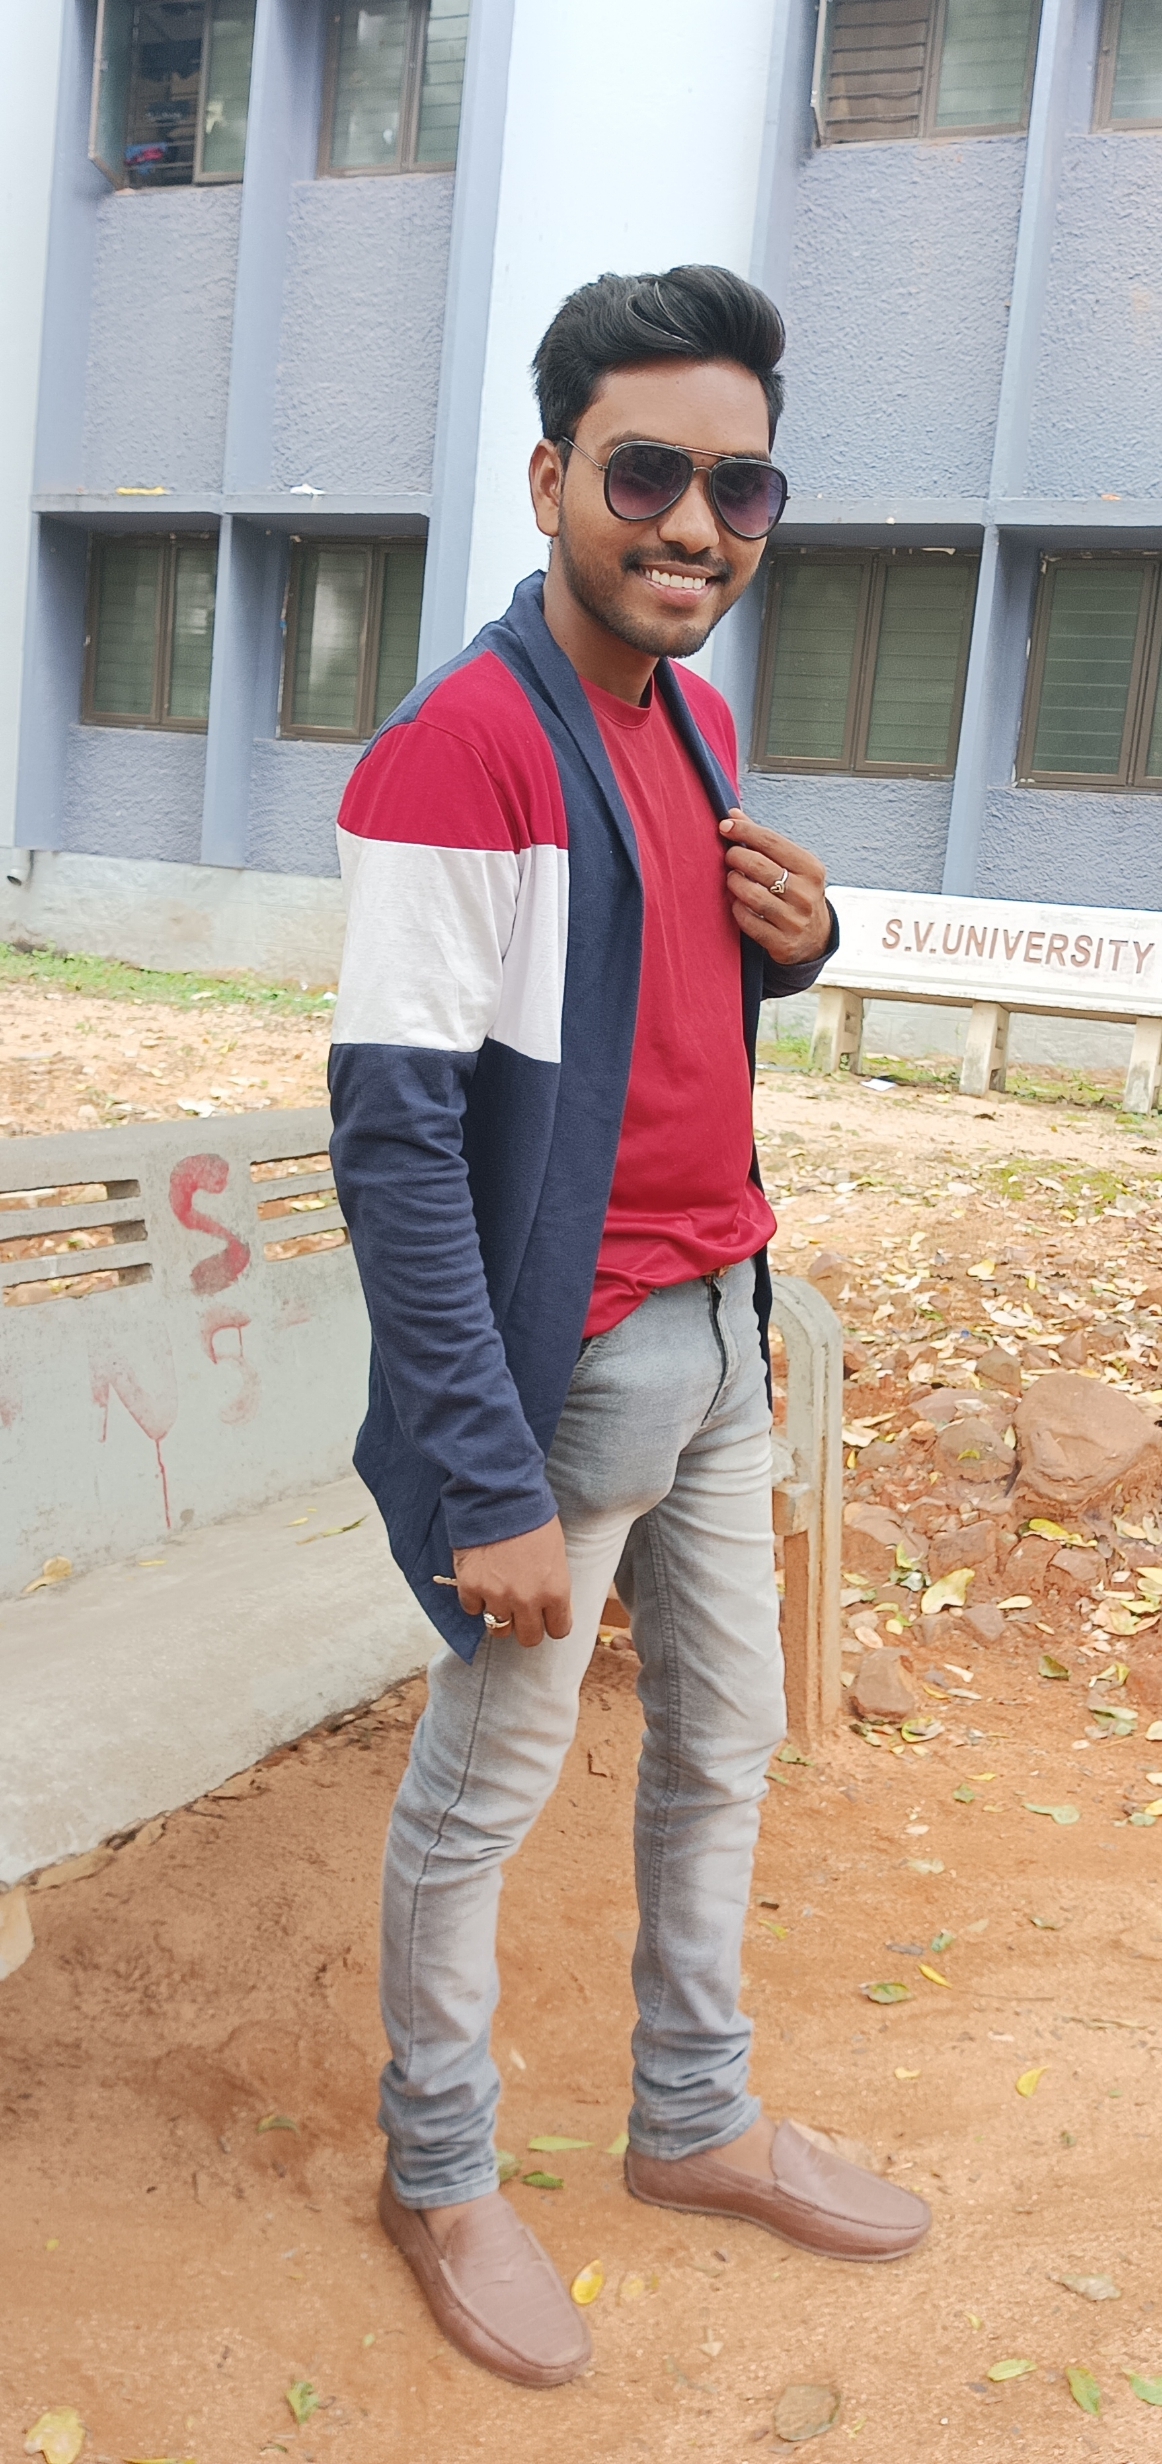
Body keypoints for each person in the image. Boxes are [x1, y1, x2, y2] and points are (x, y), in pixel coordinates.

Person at [328, 263, 930, 2391]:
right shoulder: (459, 752)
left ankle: (691, 2114)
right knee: (484, 1788)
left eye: (736, 486)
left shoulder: (693, 720)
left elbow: (650, 999)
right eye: (645, 473)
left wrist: (803, 940)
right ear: (550, 478)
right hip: (561, 1367)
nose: (691, 524)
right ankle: (437, 2164)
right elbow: (396, 1138)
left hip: (719, 1319)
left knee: (723, 1740)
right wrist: (479, 1469)